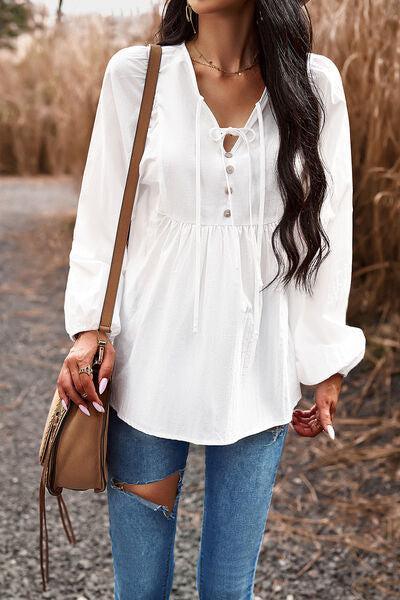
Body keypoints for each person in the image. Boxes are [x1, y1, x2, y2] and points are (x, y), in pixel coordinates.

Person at [57, 0, 366, 597]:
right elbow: (100, 218)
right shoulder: (136, 75)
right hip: (148, 373)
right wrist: (90, 329)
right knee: (139, 589)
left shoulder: (314, 83)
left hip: (257, 372)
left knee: (229, 590)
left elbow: (330, 228)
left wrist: (325, 358)